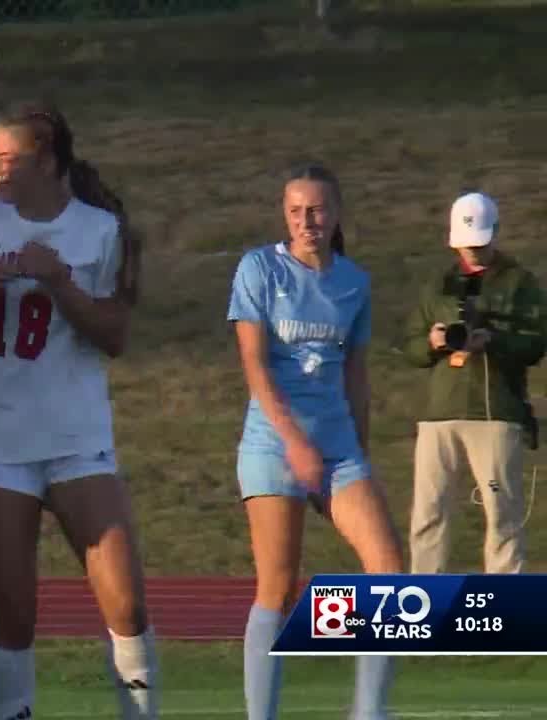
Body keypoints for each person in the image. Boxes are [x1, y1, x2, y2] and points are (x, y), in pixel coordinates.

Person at [0, 102, 155, 720]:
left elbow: (113, 335)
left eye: (11, 159)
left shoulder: (97, 230)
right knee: (13, 613)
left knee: (126, 603)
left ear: (48, 160)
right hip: (0, 439)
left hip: (78, 437)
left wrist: (57, 280)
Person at [228, 163, 402, 720]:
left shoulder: (353, 281)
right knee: (278, 589)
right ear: (284, 213)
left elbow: (355, 372)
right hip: (273, 445)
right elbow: (255, 367)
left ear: (336, 215)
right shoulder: (259, 268)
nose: (308, 220)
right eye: (297, 210)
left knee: (390, 573)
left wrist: (360, 450)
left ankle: (368, 712)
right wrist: (294, 441)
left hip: (337, 448)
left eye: (318, 209)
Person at [403, 192, 544, 575]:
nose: (473, 252)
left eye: (479, 243)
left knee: (503, 515)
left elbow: (536, 343)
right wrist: (433, 342)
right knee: (428, 514)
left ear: (495, 233)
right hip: (440, 414)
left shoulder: (520, 283)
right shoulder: (438, 285)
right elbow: (411, 346)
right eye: (466, 245)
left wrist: (494, 339)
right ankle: (423, 607)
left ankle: (502, 608)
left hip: (496, 413)